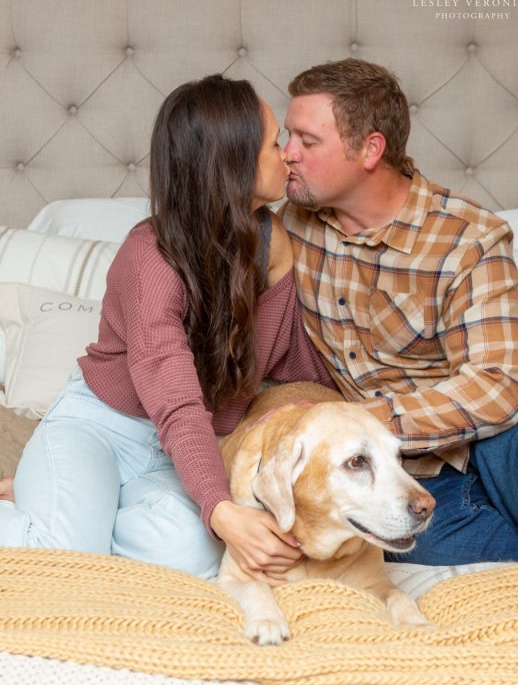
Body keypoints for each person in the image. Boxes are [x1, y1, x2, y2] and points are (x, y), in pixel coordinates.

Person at [0, 75, 335, 582]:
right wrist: (222, 512)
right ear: (234, 160)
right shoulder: (149, 254)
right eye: (273, 143)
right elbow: (174, 393)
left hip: (172, 452)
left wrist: (283, 276)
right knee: (65, 560)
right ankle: (55, 506)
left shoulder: (270, 245)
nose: (288, 154)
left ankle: (58, 501)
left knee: (190, 558)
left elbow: (287, 366)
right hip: (99, 426)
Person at [277, 58, 518, 566]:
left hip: (517, 400)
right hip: (408, 453)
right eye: (288, 136)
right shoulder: (291, 224)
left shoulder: (468, 237)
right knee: (392, 534)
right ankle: (514, 517)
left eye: (307, 142)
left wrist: (365, 420)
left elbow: (494, 388)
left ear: (370, 150)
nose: (288, 154)